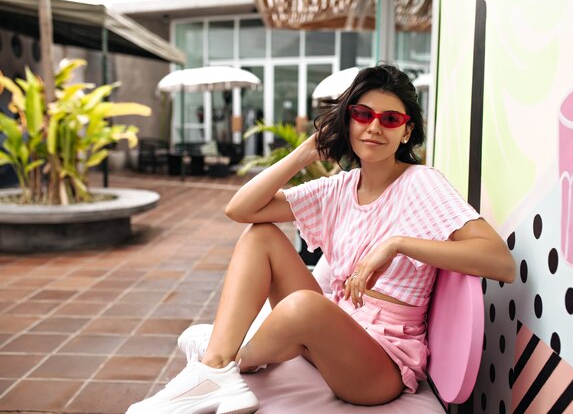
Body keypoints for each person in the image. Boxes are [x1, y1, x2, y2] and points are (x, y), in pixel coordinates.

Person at [126, 64, 516, 414]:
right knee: (261, 237)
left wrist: (397, 244)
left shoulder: (421, 184)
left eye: (390, 118)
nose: (374, 127)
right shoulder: (340, 188)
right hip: (339, 328)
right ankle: (217, 367)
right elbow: (240, 209)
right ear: (347, 122)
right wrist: (304, 153)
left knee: (303, 308)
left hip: (380, 366)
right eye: (362, 115)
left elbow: (501, 262)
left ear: (406, 130)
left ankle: (218, 363)